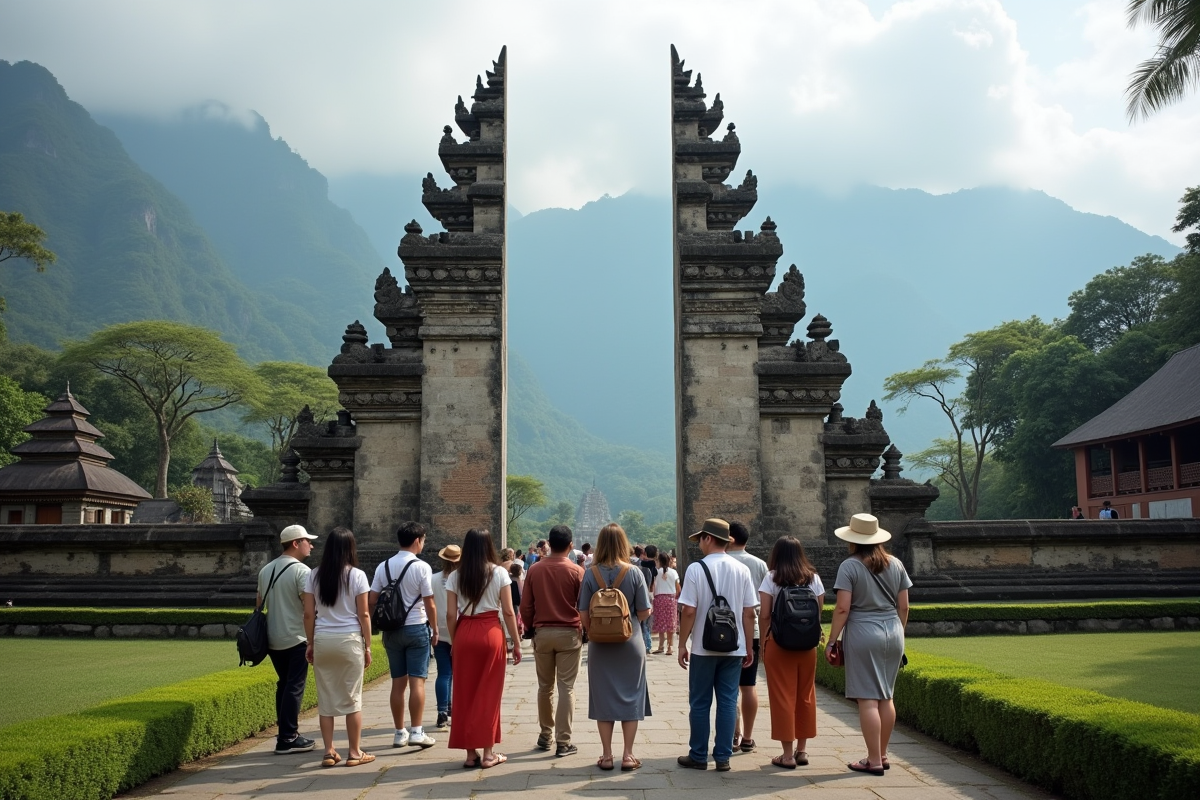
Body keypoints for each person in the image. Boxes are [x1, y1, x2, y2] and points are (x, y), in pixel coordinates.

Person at [825, 513, 912, 777]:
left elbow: (842, 609)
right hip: (893, 630)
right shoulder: (895, 563)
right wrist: (899, 632)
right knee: (886, 696)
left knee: (867, 699)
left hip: (863, 631)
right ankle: (882, 754)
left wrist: (832, 640)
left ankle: (873, 760)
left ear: (853, 540)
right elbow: (904, 606)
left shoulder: (849, 566)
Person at [676, 518, 757, 772]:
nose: (699, 543)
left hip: (703, 646)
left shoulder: (696, 569)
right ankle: (722, 756)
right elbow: (749, 613)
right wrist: (749, 646)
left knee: (700, 703)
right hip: (734, 648)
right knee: (727, 701)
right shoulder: (741, 569)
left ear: (708, 538)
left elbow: (688, 610)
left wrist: (681, 644)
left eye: (700, 538)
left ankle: (698, 755)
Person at [578, 522, 652, 772]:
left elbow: (583, 615)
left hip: (600, 645)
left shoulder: (591, 573)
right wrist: (628, 620)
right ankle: (628, 755)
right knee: (632, 696)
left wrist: (599, 629)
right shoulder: (634, 572)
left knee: (603, 698)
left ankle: (607, 755)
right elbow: (643, 612)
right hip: (630, 643)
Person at [446, 528, 522, 769]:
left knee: (464, 692)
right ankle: (489, 753)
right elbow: (509, 611)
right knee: (489, 693)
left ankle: (470, 753)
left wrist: (455, 639)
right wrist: (516, 642)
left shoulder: (455, 576)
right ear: (489, 546)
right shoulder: (500, 573)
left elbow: (450, 614)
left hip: (464, 631)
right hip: (490, 632)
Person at [303, 527, 374, 768]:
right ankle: (354, 752)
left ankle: (329, 751)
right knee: (352, 697)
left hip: (323, 637)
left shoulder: (313, 575)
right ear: (350, 548)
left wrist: (310, 642)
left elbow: (308, 614)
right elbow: (364, 613)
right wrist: (368, 645)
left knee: (326, 698)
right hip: (349, 638)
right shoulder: (357, 575)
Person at [369, 521, 438, 749]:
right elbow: (429, 603)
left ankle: (400, 732)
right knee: (417, 681)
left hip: (391, 631)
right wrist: (435, 629)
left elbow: (372, 600)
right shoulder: (421, 567)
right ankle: (417, 731)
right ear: (418, 540)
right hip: (416, 627)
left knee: (397, 683)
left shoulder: (383, 567)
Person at [758, 536, 825, 769]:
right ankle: (802, 750)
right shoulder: (813, 578)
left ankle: (786, 755)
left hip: (779, 643)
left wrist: (763, 642)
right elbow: (819, 612)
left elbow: (765, 614)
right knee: (805, 695)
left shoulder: (772, 578)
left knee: (782, 696)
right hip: (807, 645)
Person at [520, 524, 585, 757]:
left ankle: (545, 735)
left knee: (544, 687)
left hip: (543, 632)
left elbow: (526, 606)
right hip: (569, 633)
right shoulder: (577, 572)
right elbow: (584, 606)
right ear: (570, 546)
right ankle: (563, 741)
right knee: (566, 687)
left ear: (548, 543)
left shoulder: (535, 569)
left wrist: (529, 627)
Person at [258, 524, 318, 755]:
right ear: (296, 543)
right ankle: (288, 737)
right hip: (296, 637)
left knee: (284, 685)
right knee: (294, 687)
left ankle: (285, 733)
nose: (310, 545)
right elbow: (308, 609)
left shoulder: (266, 570)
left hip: (273, 638)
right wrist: (313, 638)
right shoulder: (302, 572)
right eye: (307, 541)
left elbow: (258, 602)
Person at [726, 521, 768, 753]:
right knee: (749, 686)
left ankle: (734, 734)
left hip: (723, 632)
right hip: (752, 632)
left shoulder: (720, 562)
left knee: (728, 687)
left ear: (729, 538)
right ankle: (748, 738)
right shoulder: (759, 564)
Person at [430, 544, 461, 730]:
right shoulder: (462, 578)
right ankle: (455, 709)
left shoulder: (433, 579)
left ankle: (443, 710)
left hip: (440, 630)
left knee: (444, 673)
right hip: (460, 629)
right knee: (458, 674)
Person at [651, 550, 680, 655]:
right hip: (671, 599)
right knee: (670, 623)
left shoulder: (656, 572)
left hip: (659, 599)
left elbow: (653, 587)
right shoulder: (674, 572)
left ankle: (660, 645)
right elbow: (678, 588)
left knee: (660, 623)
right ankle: (670, 646)